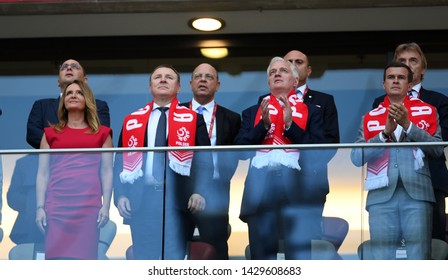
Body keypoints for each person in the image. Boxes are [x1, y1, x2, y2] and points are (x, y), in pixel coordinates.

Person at [113, 64, 212, 260]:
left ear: (178, 88)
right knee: (144, 260)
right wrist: (121, 195)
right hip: (142, 200)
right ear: (150, 87)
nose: (163, 80)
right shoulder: (133, 120)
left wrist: (200, 191)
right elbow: (120, 162)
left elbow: (204, 162)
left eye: (169, 77)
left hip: (179, 199)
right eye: (158, 77)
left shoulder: (193, 119)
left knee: (174, 261)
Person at [234, 56, 326, 259]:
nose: (276, 74)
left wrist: (291, 125)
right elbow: (240, 151)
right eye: (272, 72)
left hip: (296, 193)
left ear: (295, 81)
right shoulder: (252, 113)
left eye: (283, 71)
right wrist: (263, 126)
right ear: (268, 82)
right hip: (259, 192)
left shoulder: (312, 112)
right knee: (261, 260)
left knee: (298, 259)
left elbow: (318, 154)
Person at [351, 61, 443, 259]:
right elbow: (356, 157)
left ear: (409, 85)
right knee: (382, 261)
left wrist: (408, 126)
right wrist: (384, 134)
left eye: (401, 77)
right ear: (383, 84)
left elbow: (437, 149)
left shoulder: (428, 110)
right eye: (391, 77)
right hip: (381, 197)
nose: (395, 81)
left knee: (419, 259)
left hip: (417, 194)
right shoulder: (369, 117)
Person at [372, 42, 448, 242]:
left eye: (413, 60)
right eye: (402, 61)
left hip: (430, 182)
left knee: (432, 246)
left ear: (422, 69)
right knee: (390, 246)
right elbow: (375, 141)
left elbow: (440, 143)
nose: (407, 65)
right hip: (389, 186)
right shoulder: (380, 102)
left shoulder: (438, 101)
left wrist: (408, 125)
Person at [35, 80, 113, 260]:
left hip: (88, 207)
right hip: (57, 206)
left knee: (84, 264)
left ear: (87, 100)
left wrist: (106, 206)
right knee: (56, 264)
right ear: (63, 102)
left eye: (78, 93)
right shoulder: (50, 134)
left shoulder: (102, 133)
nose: (73, 96)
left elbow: (107, 172)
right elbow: (42, 173)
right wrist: (40, 207)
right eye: (69, 93)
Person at [181, 63, 241, 259]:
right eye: (198, 76)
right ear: (190, 84)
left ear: (217, 85)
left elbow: (234, 155)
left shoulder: (231, 118)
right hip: (180, 190)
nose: (203, 80)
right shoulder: (176, 113)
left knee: (217, 252)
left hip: (216, 192)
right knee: (176, 251)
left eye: (209, 77)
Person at [27, 59, 110, 149]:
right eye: (64, 67)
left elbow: (101, 136)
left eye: (75, 66)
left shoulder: (98, 105)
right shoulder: (42, 106)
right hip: (54, 160)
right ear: (58, 82)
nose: (69, 68)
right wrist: (58, 144)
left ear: (85, 80)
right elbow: (32, 134)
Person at [7, 154, 44, 245]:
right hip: (27, 229)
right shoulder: (24, 163)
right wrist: (33, 202)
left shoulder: (65, 160)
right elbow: (12, 197)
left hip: (61, 227)